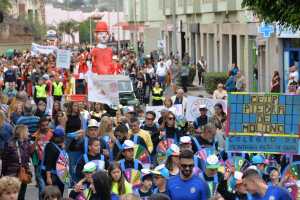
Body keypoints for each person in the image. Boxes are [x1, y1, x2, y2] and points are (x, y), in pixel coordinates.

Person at [1, 125, 32, 200]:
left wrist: (28, 171)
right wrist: (3, 174)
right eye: (27, 131)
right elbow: (4, 159)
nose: (28, 133)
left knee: (21, 195)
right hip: (12, 174)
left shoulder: (26, 143)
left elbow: (27, 159)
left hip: (23, 173)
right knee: (12, 195)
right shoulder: (9, 143)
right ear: (22, 132)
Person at [42, 127, 68, 194]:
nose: (56, 137)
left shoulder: (59, 145)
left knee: (59, 194)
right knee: (53, 194)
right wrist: (48, 177)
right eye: (56, 136)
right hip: (53, 175)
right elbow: (48, 163)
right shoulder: (50, 147)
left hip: (61, 174)